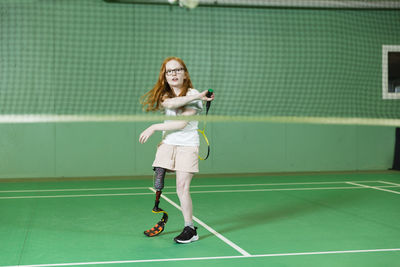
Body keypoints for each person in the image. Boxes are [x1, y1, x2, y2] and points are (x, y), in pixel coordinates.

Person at [139, 56, 214, 243]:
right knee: (158, 180)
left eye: (177, 70)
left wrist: (154, 126)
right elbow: (171, 104)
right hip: (168, 144)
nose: (173, 74)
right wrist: (199, 97)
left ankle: (190, 229)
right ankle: (159, 204)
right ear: (164, 76)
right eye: (169, 71)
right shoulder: (166, 94)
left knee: (182, 188)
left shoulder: (194, 93)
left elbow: (181, 124)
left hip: (187, 145)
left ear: (185, 73)